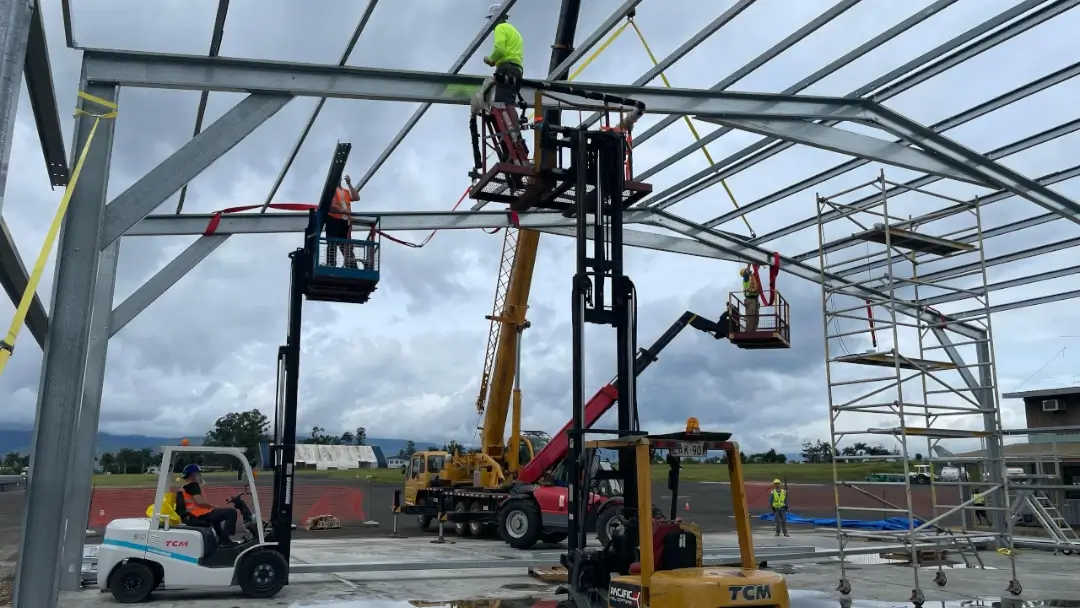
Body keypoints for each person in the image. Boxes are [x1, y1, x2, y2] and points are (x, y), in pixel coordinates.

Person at [180, 464, 239, 547]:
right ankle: (225, 541)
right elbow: (200, 502)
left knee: (215, 518)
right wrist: (213, 506)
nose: (200, 475)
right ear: (193, 474)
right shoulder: (193, 485)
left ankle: (220, 540)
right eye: (198, 473)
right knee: (231, 512)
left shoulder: (185, 486)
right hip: (199, 514)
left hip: (193, 514)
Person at [482, 4, 524, 106]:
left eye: (491, 19)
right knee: (508, 104)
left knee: (502, 104)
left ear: (496, 17)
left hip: (507, 69)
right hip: (517, 70)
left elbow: (500, 50)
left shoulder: (500, 28)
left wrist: (491, 59)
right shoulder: (513, 31)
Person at [326, 174, 360, 268]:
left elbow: (356, 197)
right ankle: (331, 264)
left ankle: (352, 265)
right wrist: (343, 210)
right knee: (332, 243)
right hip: (334, 219)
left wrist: (349, 184)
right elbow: (330, 204)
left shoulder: (345, 191)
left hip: (344, 221)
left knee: (346, 245)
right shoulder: (331, 191)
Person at [740, 264, 761, 332]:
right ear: (744, 274)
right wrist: (749, 263)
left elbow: (756, 270)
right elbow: (748, 270)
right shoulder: (746, 278)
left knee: (756, 318)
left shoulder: (752, 277)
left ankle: (754, 331)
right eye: (746, 270)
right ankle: (749, 332)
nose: (748, 270)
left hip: (755, 300)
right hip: (750, 300)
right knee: (750, 317)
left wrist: (759, 263)